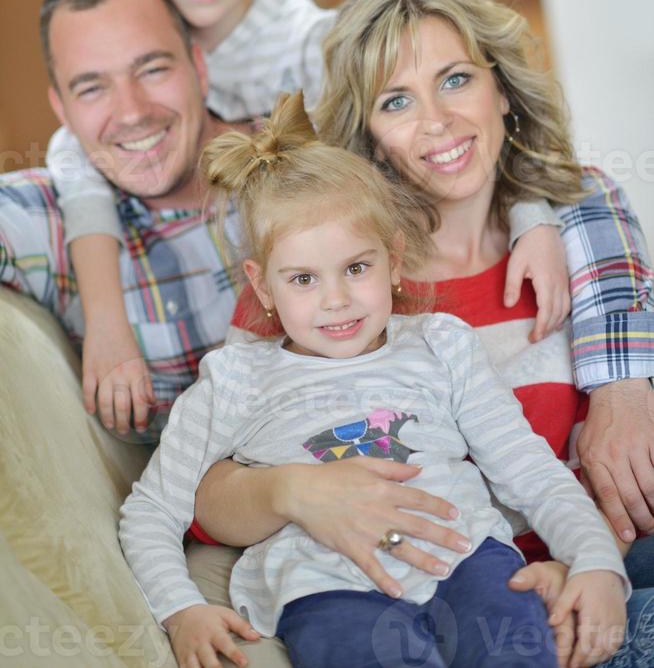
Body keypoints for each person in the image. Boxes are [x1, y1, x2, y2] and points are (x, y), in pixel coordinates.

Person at [191, 0, 654, 667]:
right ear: (371, 135)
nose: (437, 121)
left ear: (501, 86)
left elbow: (624, 456)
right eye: (397, 101)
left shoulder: (579, 229)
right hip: (458, 604)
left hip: (602, 573)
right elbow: (204, 495)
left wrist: (588, 566)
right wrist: (292, 489)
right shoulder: (330, 278)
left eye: (457, 79)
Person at [45, 0, 567, 438]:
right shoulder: (134, 62)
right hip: (266, 297)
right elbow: (72, 158)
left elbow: (457, 139)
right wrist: (107, 322)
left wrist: (532, 214)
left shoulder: (306, 42)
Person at [119, 92, 629, 668]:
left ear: (394, 260)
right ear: (262, 287)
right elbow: (152, 510)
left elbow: (532, 472)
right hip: (327, 590)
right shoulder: (235, 378)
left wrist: (596, 562)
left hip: (469, 561)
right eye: (303, 278)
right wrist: (181, 608)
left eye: (356, 268)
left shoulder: (441, 344)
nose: (336, 300)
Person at [0, 0, 244, 437]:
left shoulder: (301, 166)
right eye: (92, 88)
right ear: (62, 109)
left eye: (151, 69)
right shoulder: (48, 220)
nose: (131, 112)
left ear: (198, 65)